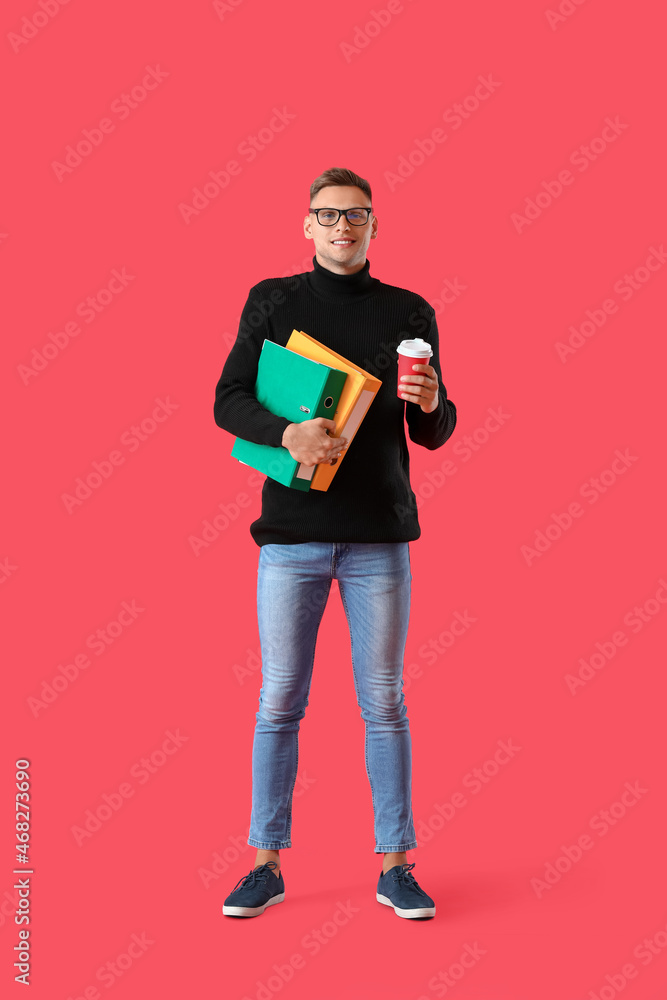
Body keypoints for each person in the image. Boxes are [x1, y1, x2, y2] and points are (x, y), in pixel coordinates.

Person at [213, 167, 456, 919]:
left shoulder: (409, 310)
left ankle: (395, 865)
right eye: (328, 214)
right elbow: (226, 399)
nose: (342, 227)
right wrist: (285, 432)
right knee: (279, 699)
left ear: (375, 227)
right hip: (290, 535)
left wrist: (437, 400)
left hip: (379, 537)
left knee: (383, 702)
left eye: (356, 215)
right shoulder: (273, 301)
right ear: (307, 226)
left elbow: (432, 434)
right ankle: (265, 863)